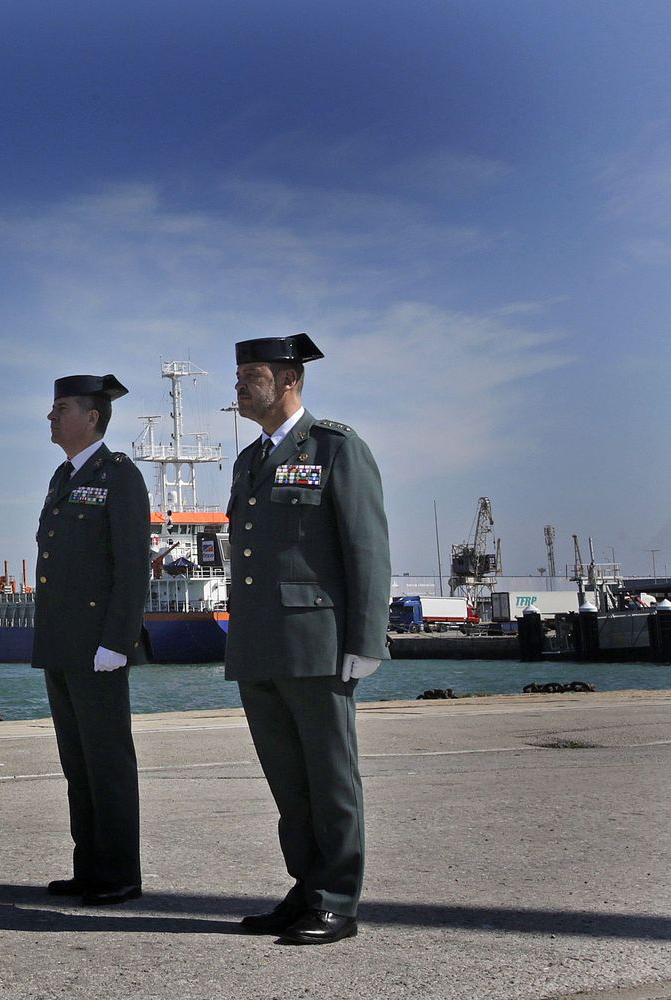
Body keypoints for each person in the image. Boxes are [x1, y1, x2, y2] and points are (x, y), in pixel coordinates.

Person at [227, 333, 390, 945]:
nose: (239, 386)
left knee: (329, 776)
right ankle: (306, 887)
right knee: (287, 779)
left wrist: (366, 640)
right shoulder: (248, 461)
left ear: (287, 380)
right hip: (259, 644)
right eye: (239, 375)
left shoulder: (336, 448)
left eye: (251, 375)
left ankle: (338, 899)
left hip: (317, 643)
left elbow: (366, 548)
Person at [33, 374, 150, 906]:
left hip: (99, 648)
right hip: (62, 644)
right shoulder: (63, 477)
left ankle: (121, 872)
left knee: (108, 764)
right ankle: (90, 867)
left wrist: (117, 642)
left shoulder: (119, 476)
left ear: (92, 418)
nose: (51, 418)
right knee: (77, 764)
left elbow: (131, 568)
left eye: (60, 409)